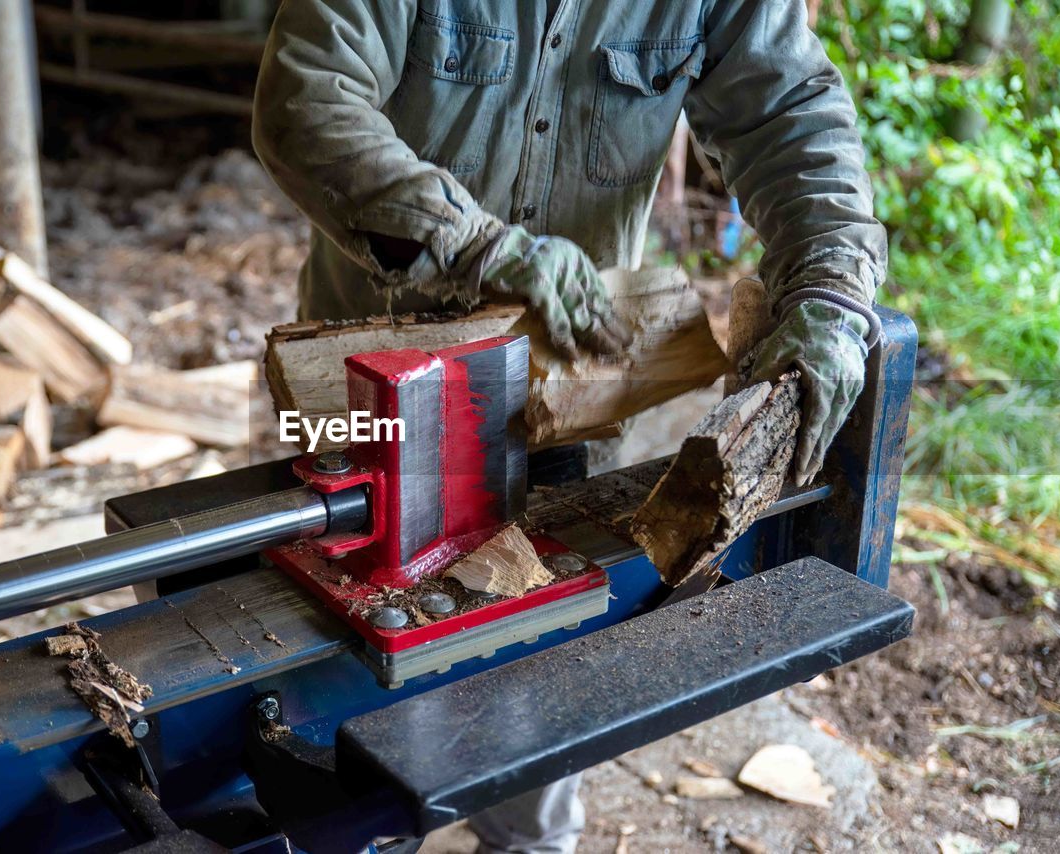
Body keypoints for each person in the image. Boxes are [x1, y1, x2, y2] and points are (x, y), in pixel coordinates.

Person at [253, 1, 886, 850]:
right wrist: (474, 245)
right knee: (348, 685)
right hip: (372, 387)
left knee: (540, 687)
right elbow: (304, 100)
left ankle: (525, 836)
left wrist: (834, 290)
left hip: (570, 393)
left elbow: (790, 114)